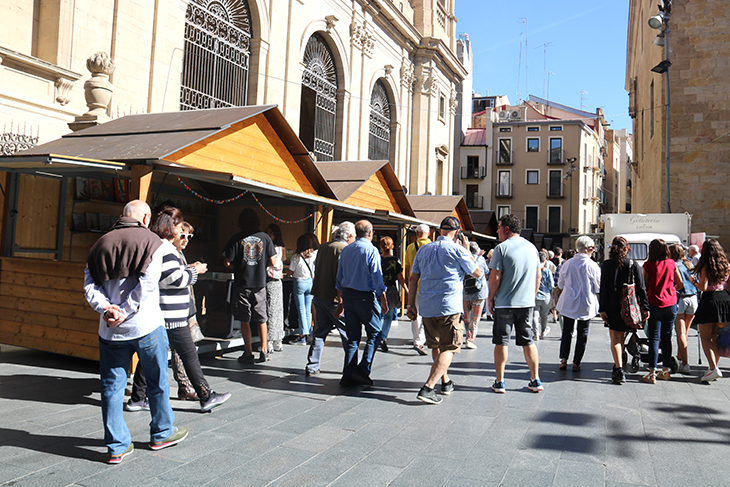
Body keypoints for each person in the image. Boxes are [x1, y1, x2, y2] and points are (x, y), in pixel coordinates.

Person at [83, 200, 187, 464]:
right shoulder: (153, 242)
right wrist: (125, 310)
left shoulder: (99, 244)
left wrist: (108, 309)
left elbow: (89, 286)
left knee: (111, 388)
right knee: (157, 382)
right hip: (146, 326)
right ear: (145, 218)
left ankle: (116, 446)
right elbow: (148, 284)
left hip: (110, 331)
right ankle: (162, 432)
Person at [128, 208, 231, 411]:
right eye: (178, 227)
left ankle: (137, 398)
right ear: (170, 227)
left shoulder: (161, 247)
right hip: (172, 315)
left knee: (152, 354)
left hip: (165, 313)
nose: (181, 232)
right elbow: (174, 280)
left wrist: (186, 269)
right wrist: (195, 271)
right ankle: (205, 395)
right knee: (189, 354)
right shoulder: (166, 249)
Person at [408, 216, 481, 404]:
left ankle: (445, 381)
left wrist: (410, 305)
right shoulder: (457, 250)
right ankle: (428, 387)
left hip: (427, 305)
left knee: (436, 345)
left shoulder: (423, 249)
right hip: (449, 306)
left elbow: (413, 278)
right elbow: (477, 272)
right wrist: (467, 251)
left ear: (439, 231)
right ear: (457, 233)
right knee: (450, 347)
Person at [488, 214, 543, 394]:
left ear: (506, 229)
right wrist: (531, 295)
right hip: (526, 303)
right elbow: (538, 276)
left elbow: (495, 278)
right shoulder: (532, 248)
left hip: (504, 303)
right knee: (528, 341)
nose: (496, 231)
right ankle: (535, 380)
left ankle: (500, 381)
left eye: (498, 227)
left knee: (501, 342)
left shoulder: (501, 248)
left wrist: (490, 299)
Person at [335, 220, 388, 386]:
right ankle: (363, 369)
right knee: (375, 333)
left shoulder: (347, 250)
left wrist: (341, 299)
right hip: (365, 296)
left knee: (353, 338)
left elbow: (339, 277)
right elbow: (377, 277)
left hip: (348, 295)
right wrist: (383, 298)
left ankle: (348, 374)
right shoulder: (371, 250)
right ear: (370, 233)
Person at [222, 208, 277, 364]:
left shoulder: (237, 238)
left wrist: (239, 266)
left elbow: (226, 262)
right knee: (262, 318)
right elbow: (273, 262)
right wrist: (260, 266)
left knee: (244, 319)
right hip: (260, 284)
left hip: (242, 283)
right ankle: (264, 351)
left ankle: (248, 353)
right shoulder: (265, 238)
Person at [305, 222, 355, 376]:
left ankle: (312, 365)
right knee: (348, 334)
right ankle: (351, 368)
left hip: (319, 295)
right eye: (353, 236)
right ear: (348, 236)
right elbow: (342, 277)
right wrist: (342, 301)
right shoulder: (344, 250)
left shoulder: (324, 247)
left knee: (320, 332)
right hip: (335, 298)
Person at [599, 236, 650, 385]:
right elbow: (641, 288)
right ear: (626, 249)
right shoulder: (633, 264)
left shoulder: (607, 265)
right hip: (628, 307)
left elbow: (603, 289)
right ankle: (619, 365)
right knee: (621, 337)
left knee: (615, 338)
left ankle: (618, 369)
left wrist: (602, 308)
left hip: (611, 306)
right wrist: (645, 307)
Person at [556, 237, 600, 371]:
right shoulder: (593, 265)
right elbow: (598, 287)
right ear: (586, 249)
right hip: (585, 302)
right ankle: (576, 362)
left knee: (567, 331)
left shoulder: (567, 263)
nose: (593, 251)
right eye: (592, 248)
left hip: (568, 301)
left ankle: (563, 359)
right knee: (583, 333)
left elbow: (560, 284)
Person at [641, 239, 681, 383]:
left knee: (654, 338)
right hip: (671, 305)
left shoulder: (648, 265)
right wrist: (670, 291)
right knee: (667, 338)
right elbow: (680, 283)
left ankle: (652, 373)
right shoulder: (672, 264)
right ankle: (665, 371)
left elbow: (644, 286)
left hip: (655, 303)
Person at [690, 239, 730, 381]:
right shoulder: (726, 265)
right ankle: (712, 368)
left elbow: (704, 287)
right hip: (724, 300)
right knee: (716, 337)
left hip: (710, 300)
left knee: (705, 337)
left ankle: (713, 368)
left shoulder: (705, 266)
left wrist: (693, 281)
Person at [170, 221, 200, 401]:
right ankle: (185, 385)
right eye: (183, 235)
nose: (186, 239)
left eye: (189, 236)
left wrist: (191, 269)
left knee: (180, 346)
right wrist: (192, 270)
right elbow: (175, 279)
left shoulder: (179, 253)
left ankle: (185, 385)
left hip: (182, 305)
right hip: (173, 308)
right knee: (180, 347)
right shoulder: (170, 253)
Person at [669, 243, 698, 374]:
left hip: (680, 298)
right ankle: (680, 358)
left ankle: (685, 364)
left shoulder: (673, 265)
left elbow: (676, 284)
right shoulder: (689, 264)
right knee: (685, 332)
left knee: (680, 333)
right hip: (693, 298)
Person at [378, 236, 408, 352]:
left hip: (378, 289)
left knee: (379, 314)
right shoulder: (395, 261)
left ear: (381, 247)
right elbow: (400, 277)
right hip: (390, 290)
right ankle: (383, 336)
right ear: (392, 246)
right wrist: (406, 289)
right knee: (388, 316)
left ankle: (377, 336)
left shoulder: (377, 259)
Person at [405, 223, 431, 356]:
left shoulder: (410, 247)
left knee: (415, 313)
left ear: (416, 234)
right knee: (426, 313)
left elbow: (408, 268)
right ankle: (422, 339)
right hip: (429, 286)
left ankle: (416, 340)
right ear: (429, 233)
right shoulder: (432, 246)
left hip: (415, 285)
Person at [289, 233, 319, 345]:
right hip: (310, 282)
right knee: (307, 310)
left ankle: (302, 336)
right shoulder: (313, 256)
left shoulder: (295, 257)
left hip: (299, 283)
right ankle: (309, 333)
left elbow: (290, 272)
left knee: (301, 309)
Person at [265, 224, 286, 353]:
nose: (268, 235)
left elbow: (272, 263)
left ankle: (270, 341)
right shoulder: (282, 248)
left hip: (270, 279)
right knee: (277, 311)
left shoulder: (271, 248)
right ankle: (278, 340)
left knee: (271, 311)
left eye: (270, 232)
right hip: (277, 280)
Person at [463, 241, 488, 349]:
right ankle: (470, 339)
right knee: (475, 318)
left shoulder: (463, 258)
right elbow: (486, 270)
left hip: (465, 292)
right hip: (479, 292)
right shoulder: (480, 259)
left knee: (467, 316)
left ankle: (467, 334)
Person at [534, 251, 555, 340]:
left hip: (534, 295)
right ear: (544, 260)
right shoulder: (547, 271)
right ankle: (543, 330)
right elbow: (551, 284)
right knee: (544, 315)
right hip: (546, 296)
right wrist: (551, 292)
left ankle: (535, 333)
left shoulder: (533, 270)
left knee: (535, 314)